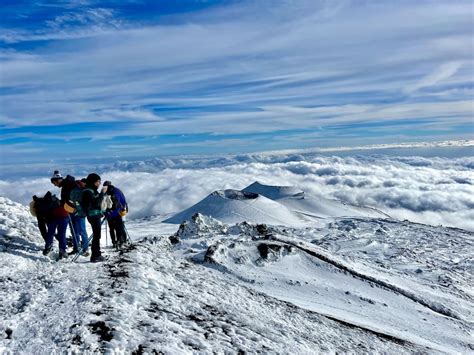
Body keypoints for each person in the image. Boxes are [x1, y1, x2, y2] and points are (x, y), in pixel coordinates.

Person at [81, 173, 107, 262]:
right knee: (97, 235)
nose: (100, 183)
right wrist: (102, 193)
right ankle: (95, 255)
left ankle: (96, 253)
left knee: (97, 235)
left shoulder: (91, 190)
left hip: (94, 215)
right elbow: (96, 203)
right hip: (93, 216)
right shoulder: (88, 191)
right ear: (94, 182)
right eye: (98, 181)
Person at [38, 191, 69, 259]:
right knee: (62, 234)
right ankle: (62, 250)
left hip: (52, 218)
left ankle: (48, 247)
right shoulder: (56, 200)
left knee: (50, 233)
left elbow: (43, 215)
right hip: (64, 216)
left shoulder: (42, 204)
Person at [103, 181, 128, 248]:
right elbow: (122, 201)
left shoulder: (109, 192)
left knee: (113, 228)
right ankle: (121, 241)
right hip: (118, 212)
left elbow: (104, 204)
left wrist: (106, 213)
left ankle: (116, 242)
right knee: (119, 227)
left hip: (112, 213)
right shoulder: (117, 191)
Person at [68, 178, 90, 256]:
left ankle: (78, 248)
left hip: (73, 212)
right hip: (79, 213)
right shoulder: (82, 190)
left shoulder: (75, 190)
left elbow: (71, 201)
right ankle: (84, 249)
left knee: (76, 231)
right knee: (80, 231)